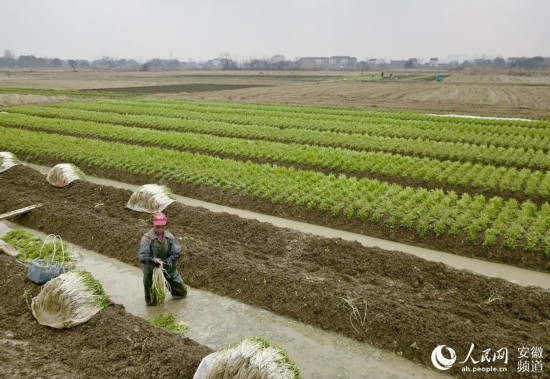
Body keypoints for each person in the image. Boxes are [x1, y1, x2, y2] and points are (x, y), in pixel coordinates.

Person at [138, 211, 187, 306]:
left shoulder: (169, 236)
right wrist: (152, 260)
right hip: (152, 270)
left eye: (162, 227)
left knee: (181, 292)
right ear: (153, 225)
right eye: (157, 227)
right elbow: (143, 256)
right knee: (153, 297)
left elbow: (176, 251)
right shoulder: (147, 238)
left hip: (168, 267)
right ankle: (153, 307)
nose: (160, 229)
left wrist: (172, 258)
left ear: (165, 226)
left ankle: (178, 294)